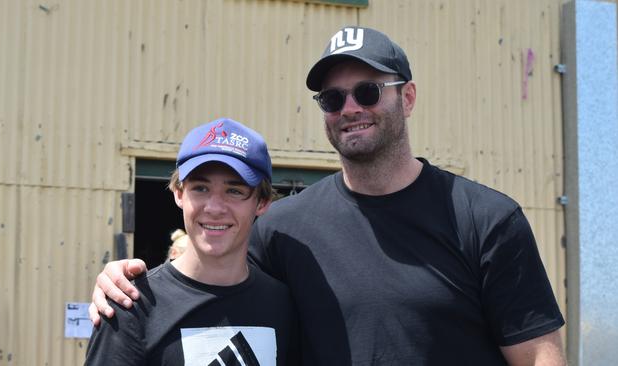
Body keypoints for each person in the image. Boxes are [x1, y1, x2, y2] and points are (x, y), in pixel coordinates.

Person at [89, 27, 566, 365]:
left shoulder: (484, 218)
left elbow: (540, 357)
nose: (350, 108)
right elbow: (213, 275)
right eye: (333, 98)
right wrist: (124, 283)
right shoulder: (282, 230)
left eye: (368, 91)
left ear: (409, 97)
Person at [85, 118, 298, 365]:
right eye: (200, 188)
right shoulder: (131, 305)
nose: (215, 208)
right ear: (178, 194)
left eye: (235, 191)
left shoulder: (284, 304)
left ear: (262, 203)